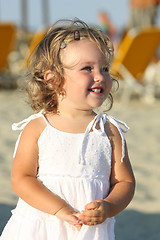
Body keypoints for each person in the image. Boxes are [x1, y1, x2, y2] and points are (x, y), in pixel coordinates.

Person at [0, 19, 135, 240]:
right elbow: (21, 178)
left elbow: (125, 182)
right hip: (41, 226)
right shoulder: (38, 127)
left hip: (89, 231)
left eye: (105, 68)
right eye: (87, 68)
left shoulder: (109, 131)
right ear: (53, 79)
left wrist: (109, 207)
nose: (100, 75)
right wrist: (59, 208)